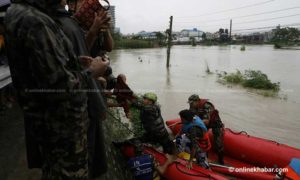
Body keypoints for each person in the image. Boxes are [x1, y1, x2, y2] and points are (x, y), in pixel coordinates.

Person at [5, 0, 108, 179]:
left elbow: (47, 71)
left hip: (53, 132)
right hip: (63, 134)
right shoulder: (35, 21)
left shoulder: (23, 14)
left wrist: (74, 63)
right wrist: (91, 72)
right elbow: (62, 87)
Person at [52, 0, 111, 178]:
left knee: (92, 148)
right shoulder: (58, 23)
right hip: (80, 94)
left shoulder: (69, 22)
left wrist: (103, 29)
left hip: (88, 86)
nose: (86, 6)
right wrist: (91, 73)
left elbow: (107, 47)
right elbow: (62, 74)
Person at [188, 94, 225, 165]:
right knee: (201, 139)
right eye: (190, 103)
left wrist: (195, 122)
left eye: (192, 103)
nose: (191, 105)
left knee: (218, 143)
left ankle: (221, 160)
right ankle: (205, 157)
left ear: (197, 101)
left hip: (215, 123)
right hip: (202, 122)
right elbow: (190, 114)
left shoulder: (206, 106)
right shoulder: (192, 106)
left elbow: (207, 121)